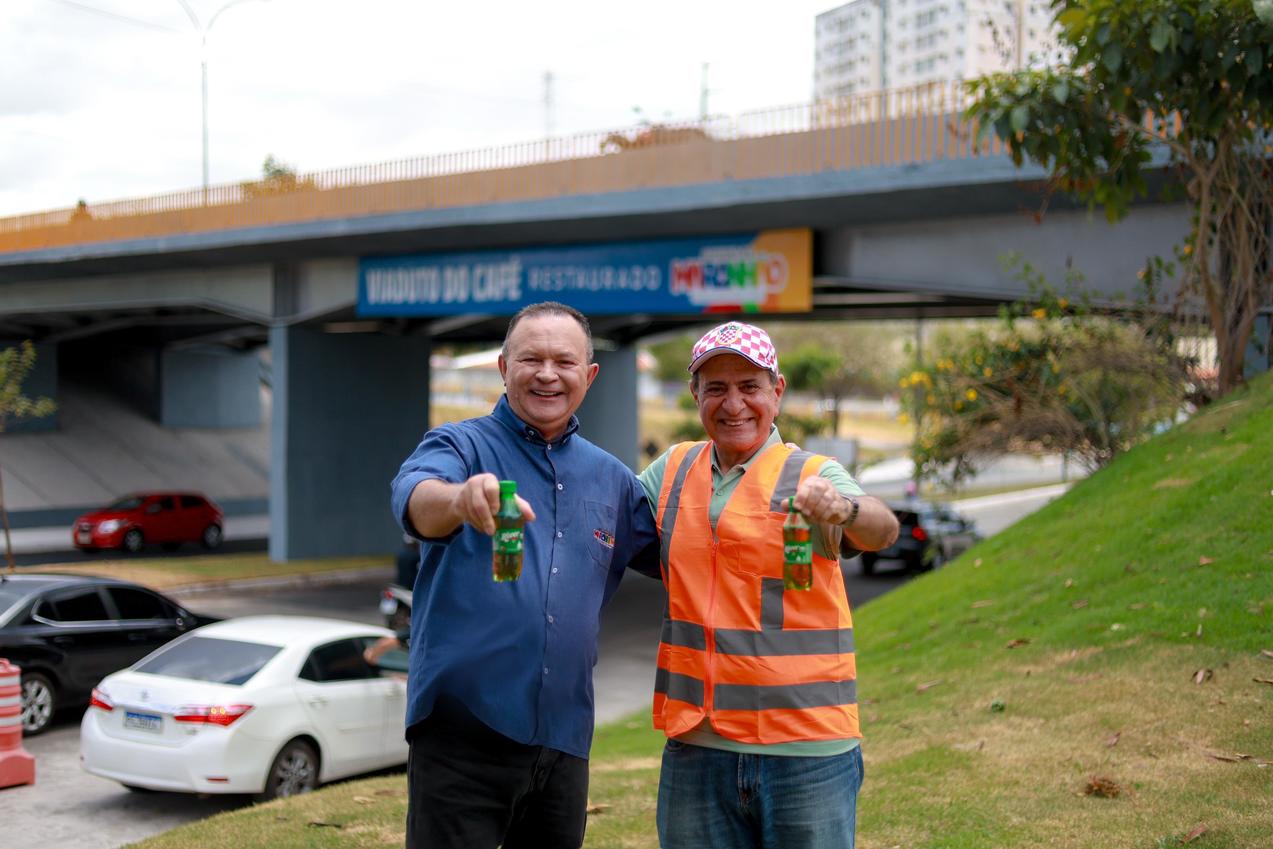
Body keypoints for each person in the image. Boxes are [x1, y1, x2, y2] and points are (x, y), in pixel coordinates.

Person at [389, 301, 659, 849]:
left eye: (564, 361)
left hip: (564, 741)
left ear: (590, 374)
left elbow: (685, 558)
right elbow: (415, 499)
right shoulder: (459, 446)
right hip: (462, 735)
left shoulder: (611, 478)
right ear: (503, 366)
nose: (547, 374)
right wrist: (462, 499)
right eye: (530, 358)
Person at [637, 320, 900, 849]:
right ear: (695, 395)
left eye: (749, 387)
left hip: (804, 752)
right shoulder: (671, 470)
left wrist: (843, 509)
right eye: (717, 388)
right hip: (697, 746)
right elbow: (603, 515)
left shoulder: (814, 473)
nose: (734, 404)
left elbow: (883, 528)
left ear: (776, 393)